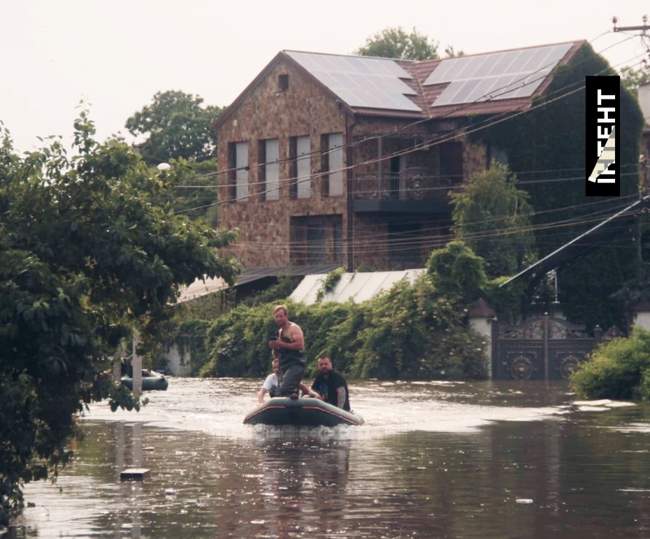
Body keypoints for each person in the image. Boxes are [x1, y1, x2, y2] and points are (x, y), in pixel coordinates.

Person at [268, 304, 306, 397]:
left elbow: (300, 345)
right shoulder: (280, 331)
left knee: (284, 390)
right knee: (276, 393)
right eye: (276, 317)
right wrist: (274, 346)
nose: (279, 319)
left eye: (281, 316)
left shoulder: (293, 328)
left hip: (296, 365)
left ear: (286, 316)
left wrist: (280, 343)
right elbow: (279, 352)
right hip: (284, 365)